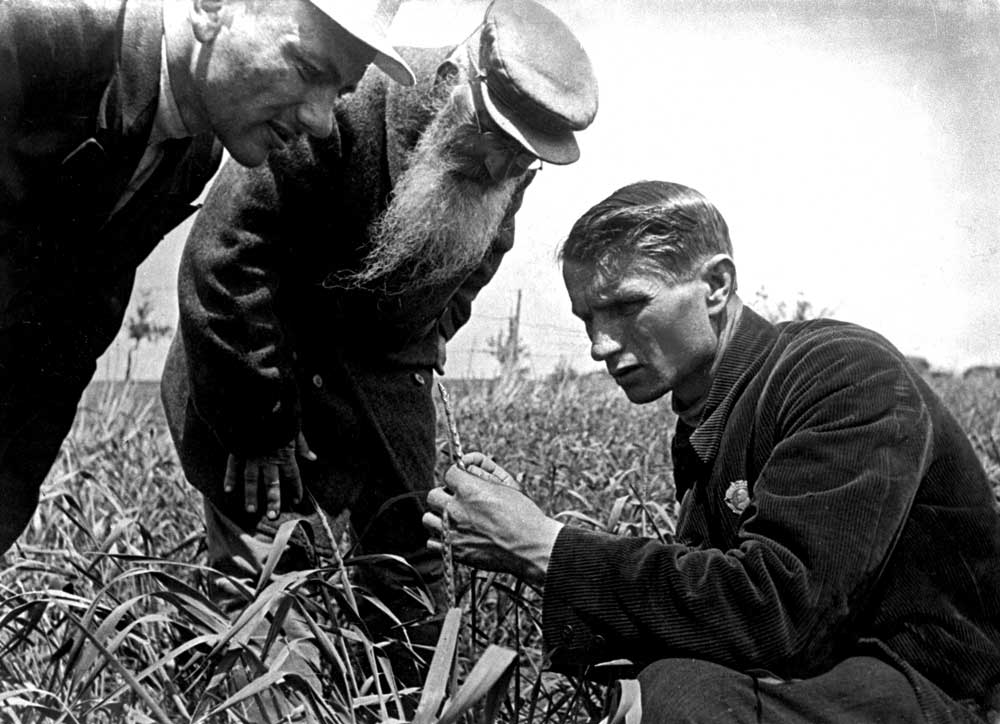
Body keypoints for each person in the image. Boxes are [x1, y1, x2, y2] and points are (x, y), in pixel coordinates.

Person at [424, 181, 1000, 723]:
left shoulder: (841, 373)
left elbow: (781, 613)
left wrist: (542, 545)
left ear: (717, 286)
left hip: (943, 689)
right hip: (842, 669)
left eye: (627, 306)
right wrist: (531, 535)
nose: (599, 344)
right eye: (588, 319)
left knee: (680, 697)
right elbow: (711, 601)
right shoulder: (713, 409)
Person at [159, 0, 598, 696]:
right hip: (254, 375)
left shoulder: (502, 171)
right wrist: (258, 427)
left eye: (521, 156)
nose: (497, 164)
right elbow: (226, 261)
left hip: (382, 382)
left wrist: (413, 347)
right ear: (458, 78)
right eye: (494, 135)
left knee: (410, 580)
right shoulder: (340, 104)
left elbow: (469, 273)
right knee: (271, 586)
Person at [0, 0, 416, 555]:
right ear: (212, 8)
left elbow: (64, 345)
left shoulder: (194, 151)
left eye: (339, 93)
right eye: (309, 69)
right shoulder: (29, 34)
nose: (320, 120)